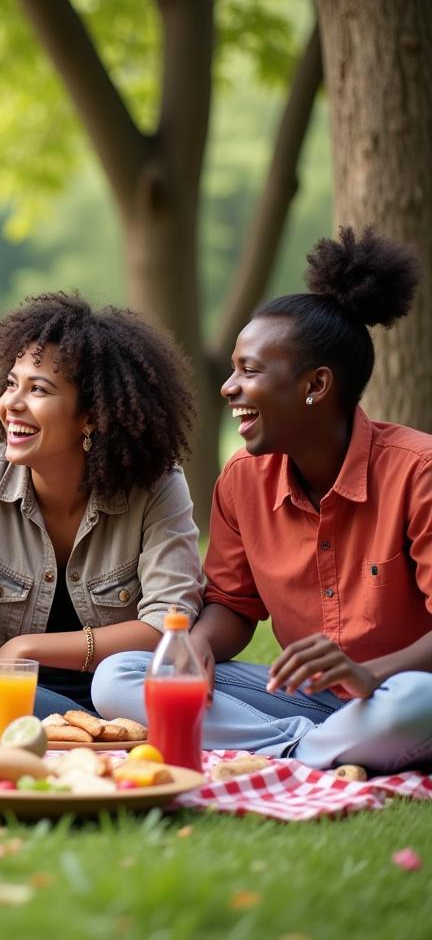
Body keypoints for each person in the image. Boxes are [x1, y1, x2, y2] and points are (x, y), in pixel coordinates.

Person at [93, 227, 432, 772]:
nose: (228, 387)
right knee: (123, 675)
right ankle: (308, 748)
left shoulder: (419, 471)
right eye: (233, 368)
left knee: (421, 701)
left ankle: (293, 745)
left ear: (315, 386)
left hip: (395, 690)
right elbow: (233, 603)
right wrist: (199, 646)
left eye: (249, 371)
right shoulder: (242, 479)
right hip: (298, 702)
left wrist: (370, 673)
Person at [0, 291, 204, 740]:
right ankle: (92, 732)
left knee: (123, 688)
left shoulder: (156, 486)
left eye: (38, 389)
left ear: (92, 416)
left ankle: (78, 726)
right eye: (11, 383)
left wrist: (28, 646)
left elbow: (166, 626)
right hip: (10, 688)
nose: (12, 404)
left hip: (117, 688)